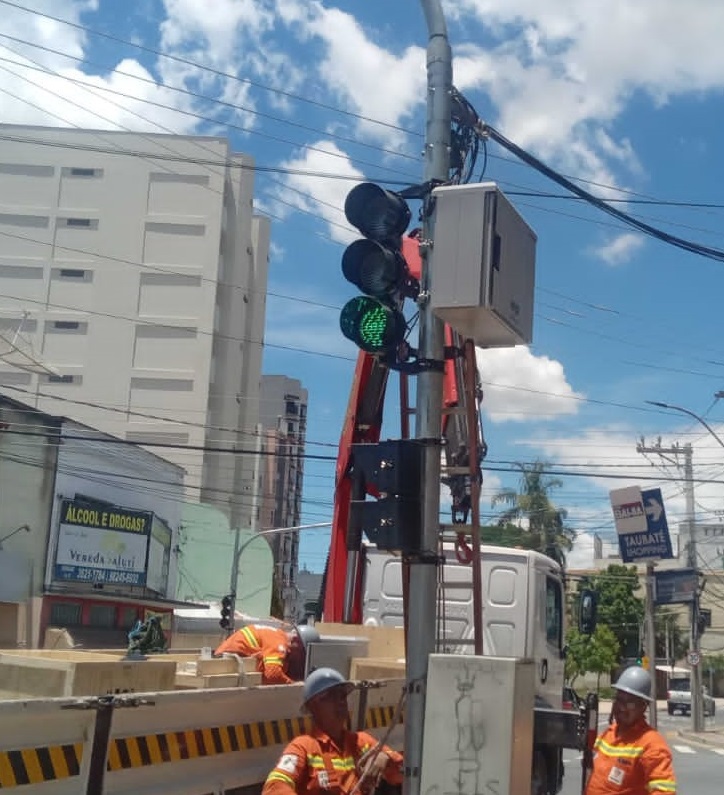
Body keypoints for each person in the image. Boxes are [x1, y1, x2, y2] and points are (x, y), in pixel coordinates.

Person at [263, 667, 403, 795]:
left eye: (342, 696)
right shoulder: (303, 747)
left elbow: (404, 774)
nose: (340, 702)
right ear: (313, 706)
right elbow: (275, 785)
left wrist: (386, 758)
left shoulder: (361, 742)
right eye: (330, 696)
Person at [585, 666, 676, 795]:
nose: (622, 707)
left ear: (642, 707)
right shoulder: (607, 734)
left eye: (630, 703)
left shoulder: (651, 744)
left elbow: (664, 791)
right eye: (619, 700)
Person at [214, 623, 320, 685]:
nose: (301, 658)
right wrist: (295, 685)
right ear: (296, 640)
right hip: (227, 662)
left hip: (229, 658)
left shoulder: (276, 635)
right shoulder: (279, 641)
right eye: (302, 653)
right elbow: (273, 675)